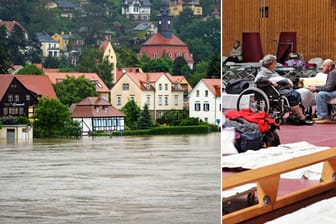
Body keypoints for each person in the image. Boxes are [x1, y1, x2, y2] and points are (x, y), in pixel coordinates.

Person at [254, 54, 313, 125]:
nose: (276, 64)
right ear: (270, 64)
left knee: (298, 93)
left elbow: (278, 78)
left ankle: (294, 115)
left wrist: (287, 80)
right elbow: (257, 80)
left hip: (280, 88)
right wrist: (269, 81)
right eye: (275, 62)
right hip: (273, 91)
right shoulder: (263, 72)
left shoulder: (271, 71)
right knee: (293, 95)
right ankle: (301, 117)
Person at [308, 59, 336, 124]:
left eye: (323, 66)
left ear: (329, 67)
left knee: (321, 94)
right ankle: (321, 116)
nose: (321, 67)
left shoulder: (333, 73)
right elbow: (328, 86)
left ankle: (324, 116)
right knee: (321, 93)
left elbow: (329, 88)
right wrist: (316, 87)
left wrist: (316, 89)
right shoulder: (333, 72)